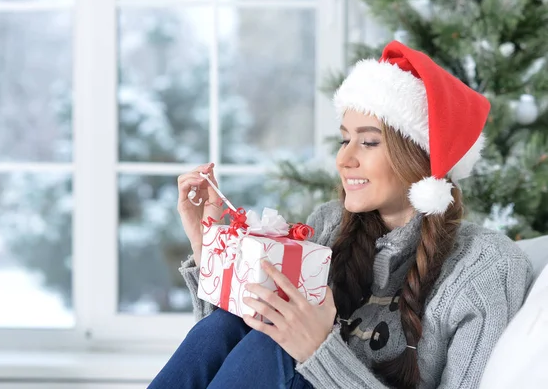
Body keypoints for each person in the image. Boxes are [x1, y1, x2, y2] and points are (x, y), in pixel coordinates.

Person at [148, 41, 533, 389]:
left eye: (368, 141)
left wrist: (319, 350)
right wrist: (207, 247)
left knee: (272, 342)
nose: (344, 159)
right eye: (344, 138)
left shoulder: (486, 266)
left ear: (421, 157)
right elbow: (224, 352)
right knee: (229, 326)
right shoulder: (329, 223)